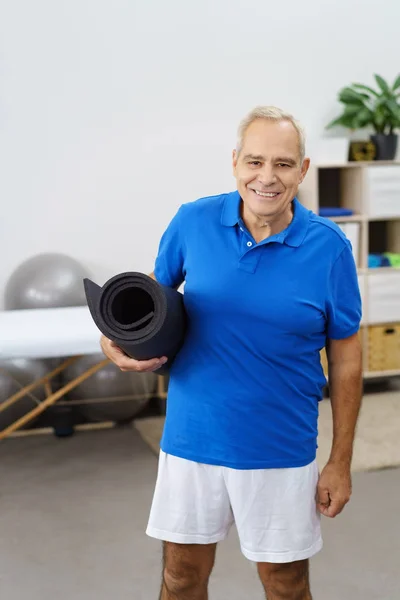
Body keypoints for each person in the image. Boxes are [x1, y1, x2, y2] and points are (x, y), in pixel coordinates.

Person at [101, 106, 363, 600]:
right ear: (236, 162)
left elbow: (347, 359)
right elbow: (145, 310)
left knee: (285, 584)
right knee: (180, 578)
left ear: (302, 170)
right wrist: (112, 342)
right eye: (255, 161)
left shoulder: (329, 249)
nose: (267, 177)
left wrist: (340, 461)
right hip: (191, 442)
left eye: (284, 164)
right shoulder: (192, 221)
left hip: (280, 447)